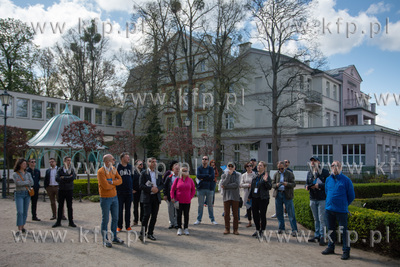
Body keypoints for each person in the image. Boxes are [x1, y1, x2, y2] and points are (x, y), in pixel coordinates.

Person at [322, 160, 355, 260]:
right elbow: (327, 192)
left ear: (340, 167)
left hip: (341, 211)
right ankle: (330, 247)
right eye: (332, 166)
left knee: (343, 231)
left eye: (337, 165)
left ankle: (346, 250)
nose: (334, 167)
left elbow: (351, 196)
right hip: (329, 209)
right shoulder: (328, 179)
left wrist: (344, 204)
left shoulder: (346, 180)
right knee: (330, 229)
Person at [97, 154, 124, 248]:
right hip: (105, 198)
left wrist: (112, 182)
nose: (114, 161)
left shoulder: (113, 169)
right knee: (106, 219)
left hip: (114, 197)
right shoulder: (101, 172)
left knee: (115, 218)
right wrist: (114, 184)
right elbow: (105, 186)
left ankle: (114, 237)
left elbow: (120, 180)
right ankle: (105, 239)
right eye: (113, 159)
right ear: (107, 161)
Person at [306, 156, 330, 246]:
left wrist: (319, 186)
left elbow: (328, 184)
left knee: (322, 219)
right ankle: (316, 235)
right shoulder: (309, 172)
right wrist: (307, 186)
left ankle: (322, 236)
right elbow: (307, 183)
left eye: (314, 160)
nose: (312, 162)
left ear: (319, 162)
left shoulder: (325, 172)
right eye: (311, 160)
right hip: (313, 198)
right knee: (316, 218)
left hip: (321, 198)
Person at [139, 157, 164, 241]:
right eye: (152, 162)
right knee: (146, 216)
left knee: (154, 216)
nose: (154, 163)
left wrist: (158, 189)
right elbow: (141, 185)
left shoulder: (159, 173)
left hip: (156, 197)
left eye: (155, 162)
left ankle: (150, 233)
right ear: (148, 163)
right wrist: (150, 189)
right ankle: (142, 233)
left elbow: (161, 184)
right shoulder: (143, 173)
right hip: (147, 197)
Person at [272, 161, 298, 236]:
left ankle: (294, 230)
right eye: (279, 168)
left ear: (284, 167)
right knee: (279, 213)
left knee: (291, 213)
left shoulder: (289, 174)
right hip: (278, 194)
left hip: (287, 195)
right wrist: (276, 185)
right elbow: (272, 184)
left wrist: (287, 184)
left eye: (282, 168)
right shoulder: (276, 174)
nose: (281, 170)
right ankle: (281, 228)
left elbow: (294, 184)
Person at [248, 161, 272, 237]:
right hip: (255, 198)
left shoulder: (266, 176)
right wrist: (249, 196)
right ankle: (257, 229)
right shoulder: (255, 176)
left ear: (264, 167)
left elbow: (269, 187)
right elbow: (252, 188)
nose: (259, 167)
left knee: (262, 215)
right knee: (255, 215)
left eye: (261, 166)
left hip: (263, 198)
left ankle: (262, 231)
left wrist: (265, 181)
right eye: (258, 165)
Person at [171, 166, 196, 236]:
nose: (186, 172)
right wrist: (172, 197)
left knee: (186, 215)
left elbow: (193, 190)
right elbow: (172, 189)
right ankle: (179, 228)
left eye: (187, 171)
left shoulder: (190, 180)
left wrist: (190, 197)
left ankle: (186, 228)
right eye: (185, 171)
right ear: (181, 172)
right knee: (179, 215)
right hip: (178, 200)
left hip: (187, 201)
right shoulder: (177, 180)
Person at [52, 156, 76, 228]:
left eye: (70, 160)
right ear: (64, 161)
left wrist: (64, 177)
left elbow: (73, 177)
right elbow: (57, 178)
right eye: (68, 160)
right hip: (61, 190)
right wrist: (67, 177)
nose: (69, 162)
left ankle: (71, 222)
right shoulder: (60, 169)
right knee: (60, 206)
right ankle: (58, 221)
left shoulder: (72, 169)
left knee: (69, 206)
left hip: (69, 190)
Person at [194, 155, 217, 225]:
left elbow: (212, 177)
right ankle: (198, 219)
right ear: (202, 160)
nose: (204, 160)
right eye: (203, 159)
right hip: (200, 188)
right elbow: (198, 176)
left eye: (206, 159)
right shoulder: (199, 168)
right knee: (200, 205)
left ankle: (212, 219)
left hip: (209, 188)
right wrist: (207, 176)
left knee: (210, 205)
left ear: (208, 161)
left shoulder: (210, 169)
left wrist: (203, 177)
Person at [13, 158, 34, 234]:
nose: (25, 165)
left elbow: (32, 183)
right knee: (20, 211)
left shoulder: (28, 174)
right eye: (23, 164)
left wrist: (22, 182)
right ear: (19, 164)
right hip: (19, 193)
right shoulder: (15, 174)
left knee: (25, 211)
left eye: (26, 164)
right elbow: (17, 184)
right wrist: (26, 182)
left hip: (27, 194)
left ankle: (22, 226)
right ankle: (19, 229)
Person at [221, 162, 241, 235]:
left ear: (234, 167)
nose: (230, 167)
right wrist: (228, 176)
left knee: (235, 214)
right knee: (226, 214)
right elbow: (223, 183)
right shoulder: (224, 175)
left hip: (235, 197)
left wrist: (226, 186)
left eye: (232, 166)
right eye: (229, 166)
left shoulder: (238, 175)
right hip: (226, 196)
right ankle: (227, 228)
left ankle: (235, 229)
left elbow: (236, 185)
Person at [116, 152, 133, 233]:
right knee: (119, 210)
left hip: (129, 192)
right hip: (120, 192)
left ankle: (128, 226)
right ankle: (119, 226)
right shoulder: (117, 167)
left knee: (128, 210)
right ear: (122, 158)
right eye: (127, 157)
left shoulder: (130, 167)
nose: (128, 159)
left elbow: (133, 178)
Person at [164, 163, 180, 229]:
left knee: (177, 210)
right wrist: (165, 195)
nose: (177, 170)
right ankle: (171, 222)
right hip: (170, 196)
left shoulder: (181, 177)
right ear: (173, 169)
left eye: (178, 169)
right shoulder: (169, 177)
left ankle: (176, 223)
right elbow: (165, 186)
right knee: (170, 210)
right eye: (176, 169)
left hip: (178, 197)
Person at [240, 162, 256, 228]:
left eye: (250, 166)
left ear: (252, 167)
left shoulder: (255, 175)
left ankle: (256, 221)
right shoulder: (243, 175)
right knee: (248, 208)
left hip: (254, 193)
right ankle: (249, 221)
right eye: (247, 166)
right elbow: (241, 184)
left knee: (255, 208)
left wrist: (252, 186)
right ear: (245, 168)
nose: (249, 167)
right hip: (246, 193)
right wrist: (248, 185)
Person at [132, 159, 143, 226]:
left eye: (142, 164)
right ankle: (135, 220)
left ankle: (142, 220)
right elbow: (130, 180)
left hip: (142, 191)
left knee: (143, 207)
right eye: (140, 164)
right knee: (135, 207)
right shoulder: (133, 172)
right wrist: (131, 189)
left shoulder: (144, 171)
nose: (141, 165)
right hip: (135, 192)